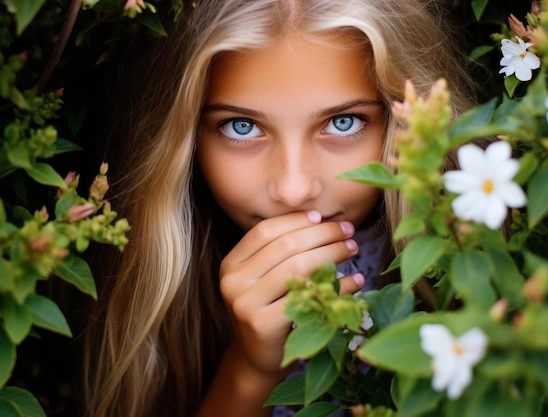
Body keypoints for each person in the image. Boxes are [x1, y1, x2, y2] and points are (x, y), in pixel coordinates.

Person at [81, 1, 480, 416]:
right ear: (184, 139)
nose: (293, 190)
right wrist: (251, 369)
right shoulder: (170, 290)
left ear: (403, 121)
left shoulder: (469, 267)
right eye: (242, 126)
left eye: (343, 122)